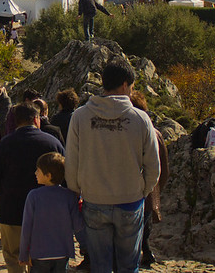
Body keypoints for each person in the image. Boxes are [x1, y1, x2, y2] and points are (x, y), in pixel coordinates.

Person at [65, 57, 160, 273]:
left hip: (93, 199)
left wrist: (78, 190)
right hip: (130, 201)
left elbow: (71, 161)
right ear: (125, 84)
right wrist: (141, 191)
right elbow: (154, 167)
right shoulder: (141, 119)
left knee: (100, 265)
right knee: (128, 265)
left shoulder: (80, 116)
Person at [0, 103, 65, 273]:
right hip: (45, 211)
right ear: (36, 119)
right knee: (40, 255)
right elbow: (65, 173)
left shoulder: (5, 144)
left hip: (11, 209)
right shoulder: (51, 143)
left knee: (13, 254)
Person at [19, 152, 84, 273]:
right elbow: (78, 225)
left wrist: (23, 254)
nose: (35, 173)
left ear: (48, 175)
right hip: (62, 253)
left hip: (39, 253)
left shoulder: (33, 196)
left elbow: (26, 228)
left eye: (38, 170)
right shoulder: (69, 196)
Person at [129, 90, 170, 267]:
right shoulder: (156, 133)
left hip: (131, 190)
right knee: (144, 226)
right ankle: (145, 251)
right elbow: (164, 168)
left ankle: (139, 254)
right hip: (148, 189)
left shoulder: (126, 133)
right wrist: (156, 187)